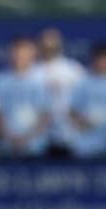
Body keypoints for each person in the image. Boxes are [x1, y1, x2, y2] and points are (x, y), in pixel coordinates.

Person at [32, 28, 85, 157]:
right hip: (38, 135)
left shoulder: (73, 69)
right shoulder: (32, 71)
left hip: (70, 134)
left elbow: (85, 100)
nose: (49, 47)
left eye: (52, 44)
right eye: (45, 44)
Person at [0, 36, 50, 159]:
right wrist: (8, 137)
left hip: (35, 147)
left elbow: (45, 115)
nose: (19, 55)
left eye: (24, 51)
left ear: (32, 53)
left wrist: (25, 138)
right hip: (6, 147)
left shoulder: (42, 80)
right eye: (16, 51)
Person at [67, 42, 106, 159]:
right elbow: (72, 110)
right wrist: (82, 121)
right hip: (87, 145)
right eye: (99, 58)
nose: (102, 62)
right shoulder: (82, 82)